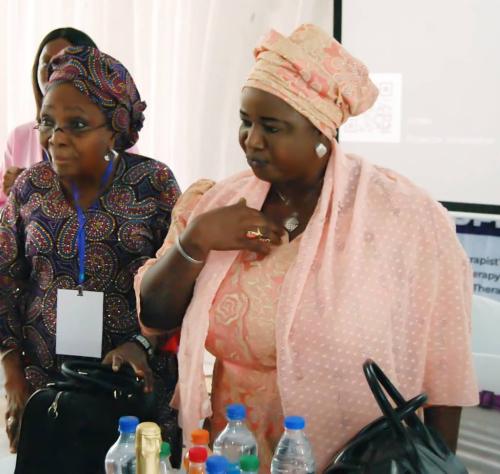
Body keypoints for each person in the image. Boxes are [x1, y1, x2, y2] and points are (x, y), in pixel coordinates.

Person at [135, 24, 478, 472]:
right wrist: (196, 240)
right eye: (245, 120)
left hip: (354, 457)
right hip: (235, 449)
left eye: (271, 127)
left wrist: (437, 464)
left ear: (321, 131)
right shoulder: (218, 202)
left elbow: (444, 363)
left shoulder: (400, 218)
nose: (251, 140)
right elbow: (156, 315)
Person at [0, 45, 181, 459]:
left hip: (135, 389)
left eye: (75, 124)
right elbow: (5, 279)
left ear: (115, 128)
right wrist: (12, 379)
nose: (55, 138)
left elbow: (183, 286)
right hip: (47, 391)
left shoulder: (153, 184)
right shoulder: (30, 187)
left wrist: (143, 343)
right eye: (47, 122)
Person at [0, 27, 138, 207]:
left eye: (62, 61)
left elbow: (128, 196)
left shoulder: (115, 132)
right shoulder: (19, 137)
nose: (52, 70)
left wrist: (32, 185)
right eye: (46, 62)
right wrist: (14, 194)